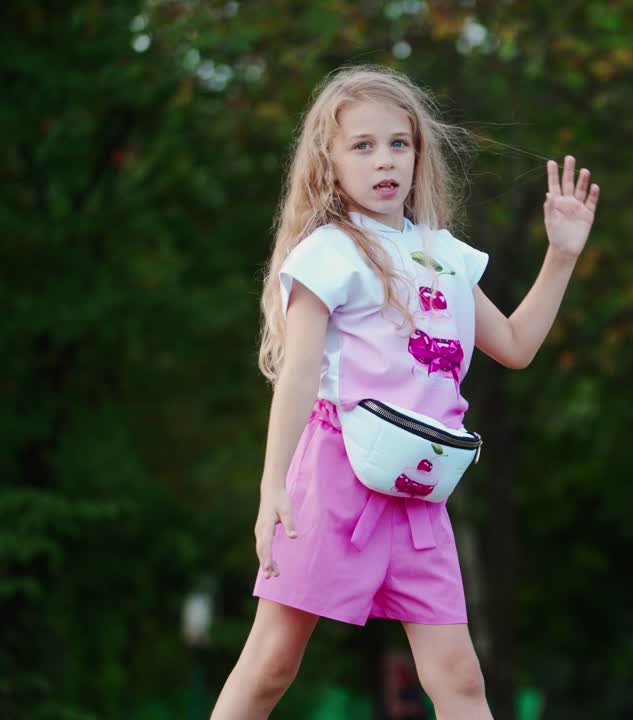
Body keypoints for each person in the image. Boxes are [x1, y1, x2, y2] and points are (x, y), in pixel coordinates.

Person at [211, 65, 600, 719]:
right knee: (272, 663)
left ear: (419, 154)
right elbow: (301, 372)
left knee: (461, 682)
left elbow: (515, 344)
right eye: (361, 146)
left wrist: (560, 255)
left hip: (422, 493)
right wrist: (272, 483)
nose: (384, 160)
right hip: (334, 480)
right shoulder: (327, 252)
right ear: (328, 164)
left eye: (399, 143)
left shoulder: (443, 253)